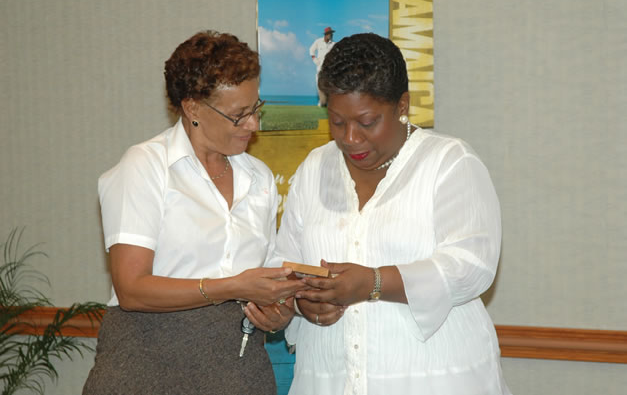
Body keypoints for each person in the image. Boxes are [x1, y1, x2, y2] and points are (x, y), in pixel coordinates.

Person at [269, 33, 512, 394]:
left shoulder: (448, 161)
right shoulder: (315, 167)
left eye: (367, 122)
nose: (350, 137)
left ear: (402, 105)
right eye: (337, 121)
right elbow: (285, 263)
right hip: (331, 376)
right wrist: (304, 303)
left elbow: (472, 266)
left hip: (435, 377)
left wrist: (373, 283)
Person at [83, 30, 304, 395]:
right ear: (193, 108)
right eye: (239, 115)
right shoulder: (147, 166)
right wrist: (232, 286)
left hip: (238, 373)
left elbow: (266, 283)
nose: (253, 124)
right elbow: (132, 289)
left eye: (255, 108)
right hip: (146, 369)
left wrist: (278, 313)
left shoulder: (258, 177)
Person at [309, 26, 335, 107]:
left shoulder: (334, 44)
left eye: (331, 34)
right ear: (326, 34)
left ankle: (327, 102)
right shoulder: (318, 41)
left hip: (329, 69)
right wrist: (314, 59)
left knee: (329, 85)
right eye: (329, 34)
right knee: (319, 84)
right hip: (320, 67)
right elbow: (311, 50)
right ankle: (322, 101)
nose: (331, 36)